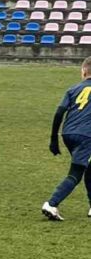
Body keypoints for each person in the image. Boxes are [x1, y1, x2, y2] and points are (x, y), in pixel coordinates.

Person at [41, 57, 91, 221]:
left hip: (68, 134)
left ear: (83, 71)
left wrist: (53, 139)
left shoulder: (73, 88)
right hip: (87, 136)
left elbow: (59, 113)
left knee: (88, 167)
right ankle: (52, 203)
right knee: (76, 173)